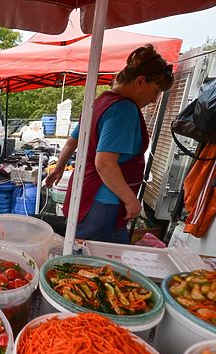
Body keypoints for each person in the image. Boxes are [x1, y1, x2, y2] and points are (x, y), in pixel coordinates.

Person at [45, 44, 174, 243]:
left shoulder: (100, 101)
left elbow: (72, 141)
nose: (154, 99)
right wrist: (131, 201)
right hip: (103, 202)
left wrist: (59, 168)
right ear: (140, 81)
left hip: (83, 192)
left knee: (81, 249)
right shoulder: (124, 109)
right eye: (156, 91)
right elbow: (104, 163)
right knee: (90, 261)